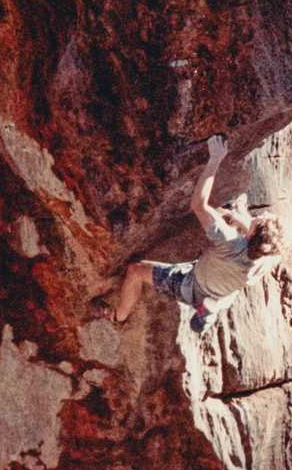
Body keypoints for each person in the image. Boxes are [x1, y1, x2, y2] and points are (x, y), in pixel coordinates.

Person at [109, 135, 281, 333]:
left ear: (252, 235)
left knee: (135, 271)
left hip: (191, 285)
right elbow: (259, 240)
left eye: (257, 220)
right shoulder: (266, 260)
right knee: (229, 219)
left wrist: (215, 160)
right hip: (220, 290)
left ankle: (118, 317)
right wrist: (240, 219)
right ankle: (210, 308)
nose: (258, 216)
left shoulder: (229, 240)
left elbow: (198, 205)